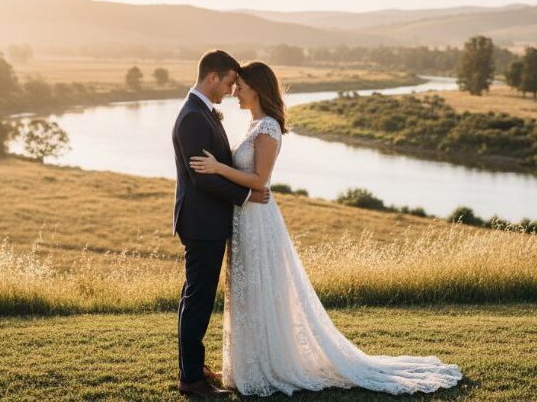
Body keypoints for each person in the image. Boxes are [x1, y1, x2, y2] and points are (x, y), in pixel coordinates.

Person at [188, 60, 463, 396]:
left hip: (257, 219)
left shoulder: (268, 128)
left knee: (260, 289)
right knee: (247, 294)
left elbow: (260, 180)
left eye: (241, 87)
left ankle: (270, 365)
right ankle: (249, 365)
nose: (235, 93)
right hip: (244, 216)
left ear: (257, 89)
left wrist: (218, 168)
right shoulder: (254, 124)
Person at [171, 49, 270, 397]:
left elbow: (214, 167)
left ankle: (193, 367)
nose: (231, 91)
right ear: (213, 77)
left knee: (194, 296)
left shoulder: (201, 112)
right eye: (229, 83)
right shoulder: (193, 117)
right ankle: (191, 380)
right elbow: (202, 178)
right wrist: (246, 195)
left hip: (206, 221)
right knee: (198, 299)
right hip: (202, 223)